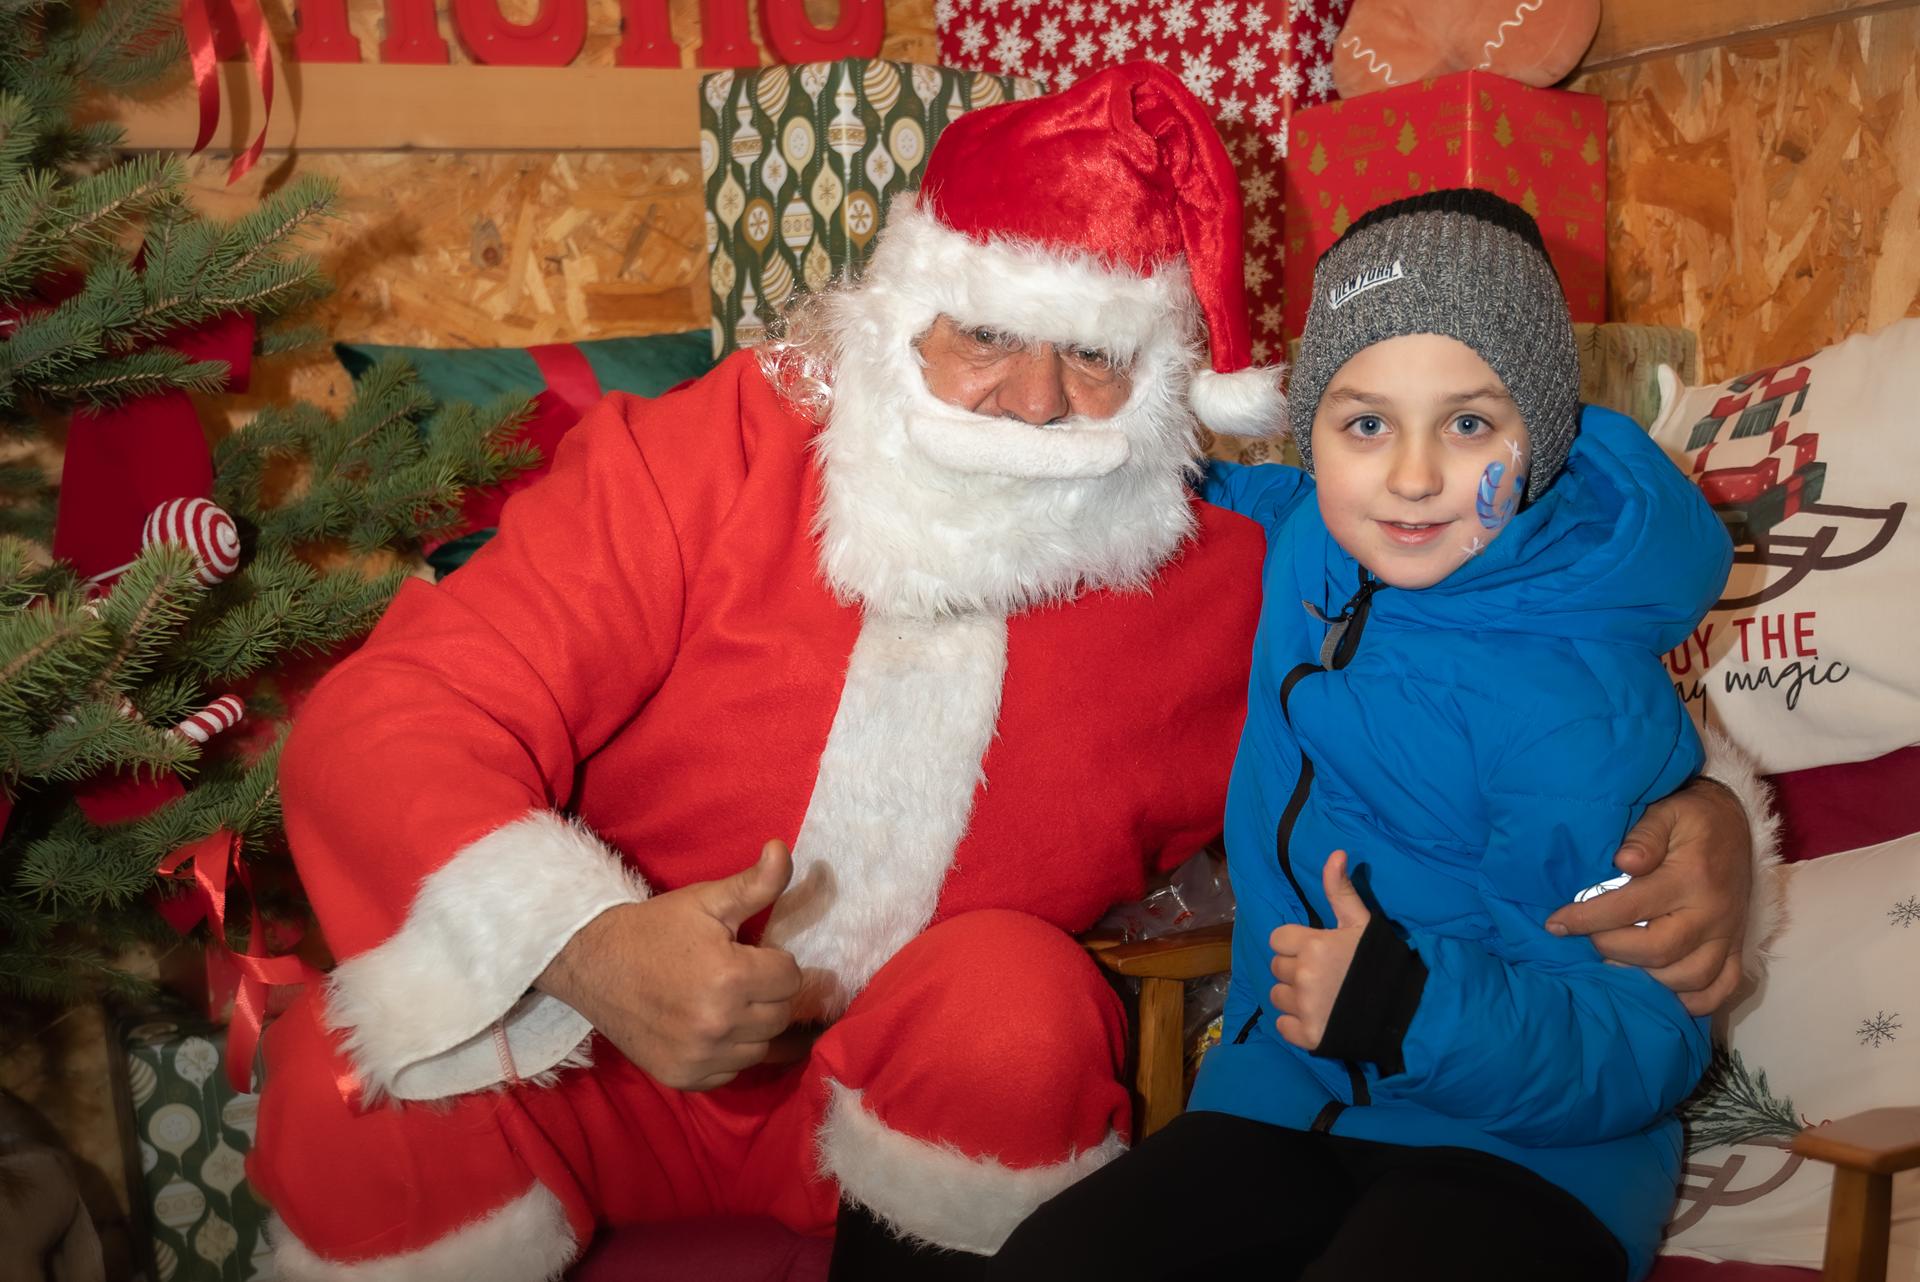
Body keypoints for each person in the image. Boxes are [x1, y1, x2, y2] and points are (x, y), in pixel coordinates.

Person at [248, 66, 1769, 1282]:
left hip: (908, 1096)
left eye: (1095, 357)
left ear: (1168, 385)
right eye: (984, 333)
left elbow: (1475, 640)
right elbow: (393, 719)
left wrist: (1697, 806)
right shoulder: (708, 455)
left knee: (1021, 1009)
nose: (1035, 403)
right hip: (579, 1063)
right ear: (895, 315)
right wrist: (587, 944)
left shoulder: (1224, 559)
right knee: (348, 1085)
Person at [991, 189, 1734, 1282]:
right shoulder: (1317, 535)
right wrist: (1057, 436)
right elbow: (1199, 491)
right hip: (1284, 1098)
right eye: (1366, 424)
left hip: (1527, 1158)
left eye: (1469, 424)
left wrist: (1409, 1008)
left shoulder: (1569, 709)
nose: (1413, 476)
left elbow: (1648, 1042)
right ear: (1317, 434)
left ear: (1541, 433)